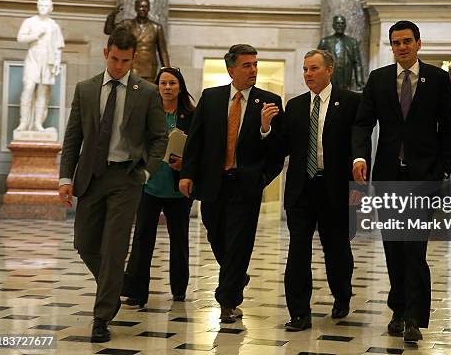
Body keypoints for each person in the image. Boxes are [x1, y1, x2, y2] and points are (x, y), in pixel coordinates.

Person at [58, 27, 167, 343]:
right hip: (91, 177)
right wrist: (66, 178)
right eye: (115, 59)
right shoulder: (86, 89)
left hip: (127, 178)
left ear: (133, 59)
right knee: (85, 244)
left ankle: (101, 317)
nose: (119, 66)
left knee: (114, 247)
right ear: (106, 54)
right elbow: (73, 137)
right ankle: (115, 285)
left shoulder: (145, 92)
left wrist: (146, 172)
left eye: (126, 61)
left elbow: (159, 137)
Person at [352, 20, 451, 342]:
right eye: (396, 42)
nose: (402, 47)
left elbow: (447, 132)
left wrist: (441, 171)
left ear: (418, 43)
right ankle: (397, 309)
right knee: (394, 247)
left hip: (422, 178)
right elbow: (362, 124)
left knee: (415, 249)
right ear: (391, 46)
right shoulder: (378, 79)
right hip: (387, 177)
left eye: (407, 41)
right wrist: (359, 158)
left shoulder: (437, 79)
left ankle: (414, 316)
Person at [178, 44, 284, 324]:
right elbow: (195, 140)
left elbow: (278, 150)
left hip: (245, 185)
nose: (253, 70)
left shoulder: (269, 102)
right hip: (213, 182)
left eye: (255, 64)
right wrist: (187, 174)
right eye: (247, 65)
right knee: (216, 235)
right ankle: (237, 275)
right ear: (231, 69)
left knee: (238, 243)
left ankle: (227, 301)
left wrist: (265, 129)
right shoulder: (211, 98)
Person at [281, 50, 360, 331]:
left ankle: (342, 294)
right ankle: (300, 312)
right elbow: (283, 146)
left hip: (335, 188)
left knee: (337, 249)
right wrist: (266, 128)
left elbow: (358, 146)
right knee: (298, 250)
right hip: (302, 189)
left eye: (313, 68)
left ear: (329, 70)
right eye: (304, 69)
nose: (308, 74)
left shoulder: (350, 102)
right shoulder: (296, 105)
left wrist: (358, 189)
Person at [122, 67, 195, 308]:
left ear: (180, 86)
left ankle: (179, 288)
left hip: (178, 188)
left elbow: (199, 150)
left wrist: (187, 165)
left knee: (179, 239)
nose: (167, 88)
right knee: (143, 238)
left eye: (172, 83)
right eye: (163, 83)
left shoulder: (191, 115)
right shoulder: (147, 112)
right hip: (149, 185)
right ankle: (136, 291)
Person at [15, 0, 64, 132]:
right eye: (40, 5)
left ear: (51, 8)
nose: (43, 8)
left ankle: (37, 123)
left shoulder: (54, 26)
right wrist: (35, 34)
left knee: (43, 92)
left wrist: (57, 62)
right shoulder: (30, 22)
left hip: (48, 61)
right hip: (33, 58)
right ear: (37, 7)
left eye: (46, 6)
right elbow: (20, 38)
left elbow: (58, 46)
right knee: (29, 88)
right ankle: (24, 122)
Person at [104, 0, 170, 82]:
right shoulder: (127, 24)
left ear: (149, 8)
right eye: (141, 6)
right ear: (136, 8)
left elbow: (163, 52)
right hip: (132, 67)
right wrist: (111, 16)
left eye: (146, 7)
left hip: (148, 68)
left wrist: (168, 71)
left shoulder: (156, 28)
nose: (143, 9)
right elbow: (109, 31)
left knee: (147, 93)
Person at [318, 15, 365, 91]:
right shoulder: (325, 42)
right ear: (333, 25)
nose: (340, 25)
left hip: (346, 79)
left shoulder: (352, 42)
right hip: (330, 79)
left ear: (345, 25)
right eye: (338, 23)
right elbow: (318, 63)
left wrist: (360, 82)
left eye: (342, 23)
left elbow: (357, 64)